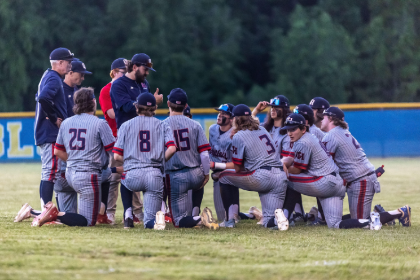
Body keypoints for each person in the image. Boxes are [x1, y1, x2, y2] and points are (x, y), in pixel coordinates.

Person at [31, 87, 116, 227]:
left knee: (70, 217)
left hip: (68, 176)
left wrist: (75, 161)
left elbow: (57, 151)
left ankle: (38, 212)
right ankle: (53, 213)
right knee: (87, 221)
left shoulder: (66, 122)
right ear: (93, 102)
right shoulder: (100, 123)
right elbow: (114, 152)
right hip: (88, 177)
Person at [282, 113, 383, 230]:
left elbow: (298, 170)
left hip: (325, 182)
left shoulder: (303, 142)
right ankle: (370, 221)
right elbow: (292, 157)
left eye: (293, 129)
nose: (289, 133)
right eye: (288, 130)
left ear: (303, 129)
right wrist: (284, 162)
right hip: (337, 184)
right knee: (335, 224)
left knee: (283, 176)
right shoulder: (309, 137)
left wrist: (283, 167)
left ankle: (284, 218)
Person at [320, 107, 411, 226]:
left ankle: (400, 213)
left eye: (324, 117)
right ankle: (381, 215)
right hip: (361, 178)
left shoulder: (331, 135)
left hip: (361, 180)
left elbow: (325, 164)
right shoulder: (341, 132)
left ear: (331, 118)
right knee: (356, 219)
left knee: (362, 222)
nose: (321, 119)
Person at [110, 53, 163, 224]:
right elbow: (126, 107)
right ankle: (115, 213)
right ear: (134, 67)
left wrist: (151, 104)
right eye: (145, 69)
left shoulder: (143, 83)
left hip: (144, 135)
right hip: (127, 135)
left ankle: (142, 214)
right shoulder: (118, 84)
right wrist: (149, 102)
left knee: (139, 175)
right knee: (120, 175)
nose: (147, 72)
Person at [218, 104, 289, 230]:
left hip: (262, 176)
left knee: (223, 176)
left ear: (235, 119)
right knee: (268, 222)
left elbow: (238, 168)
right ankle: (279, 219)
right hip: (280, 177)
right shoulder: (262, 129)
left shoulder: (239, 136)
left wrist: (217, 167)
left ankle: (229, 220)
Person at [112, 92, 177, 229]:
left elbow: (117, 156)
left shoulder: (126, 125)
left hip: (133, 175)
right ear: (154, 108)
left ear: (136, 107)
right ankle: (152, 223)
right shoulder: (162, 125)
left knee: (124, 177)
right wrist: (161, 160)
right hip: (154, 174)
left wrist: (131, 161)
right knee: (149, 221)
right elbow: (172, 148)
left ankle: (128, 214)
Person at [163, 88, 218, 229]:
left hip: (175, 176)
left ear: (168, 103)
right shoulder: (195, 124)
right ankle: (195, 211)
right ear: (186, 106)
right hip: (195, 173)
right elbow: (204, 155)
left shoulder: (162, 125)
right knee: (198, 180)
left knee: (179, 221)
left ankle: (198, 218)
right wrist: (206, 174)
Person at [98, 58, 141, 224]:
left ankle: (136, 212)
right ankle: (109, 213)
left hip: (132, 135)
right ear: (114, 72)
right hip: (115, 137)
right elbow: (112, 114)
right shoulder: (107, 90)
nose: (127, 73)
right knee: (114, 177)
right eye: (123, 71)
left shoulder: (132, 86)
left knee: (134, 173)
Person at [252, 96, 305, 225]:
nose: (273, 109)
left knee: (286, 178)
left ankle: (289, 215)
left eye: (277, 107)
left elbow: (287, 159)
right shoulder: (266, 127)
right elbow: (248, 127)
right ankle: (275, 214)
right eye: (272, 107)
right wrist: (255, 111)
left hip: (283, 169)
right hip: (270, 168)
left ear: (285, 109)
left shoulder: (288, 130)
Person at [34, 48, 74, 210]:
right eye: (68, 62)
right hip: (50, 132)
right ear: (59, 63)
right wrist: (53, 117)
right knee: (50, 172)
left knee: (51, 171)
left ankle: (45, 208)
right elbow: (43, 98)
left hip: (48, 131)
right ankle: (45, 210)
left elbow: (40, 97)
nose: (71, 65)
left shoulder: (48, 75)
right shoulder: (54, 78)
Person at [209, 103, 261, 226]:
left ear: (232, 118)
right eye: (219, 113)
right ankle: (252, 214)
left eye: (224, 114)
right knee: (223, 216)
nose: (219, 115)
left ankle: (248, 214)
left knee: (231, 218)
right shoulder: (212, 129)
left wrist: (256, 110)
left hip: (231, 173)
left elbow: (247, 122)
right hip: (217, 174)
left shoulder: (236, 135)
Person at [54, 60, 92, 213]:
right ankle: (58, 211)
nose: (82, 78)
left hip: (78, 144)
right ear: (70, 72)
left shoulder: (79, 93)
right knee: (61, 178)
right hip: (63, 143)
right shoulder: (58, 89)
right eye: (80, 74)